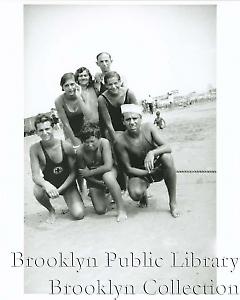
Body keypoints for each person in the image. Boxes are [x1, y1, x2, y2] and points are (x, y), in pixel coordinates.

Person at [115, 104, 180, 218]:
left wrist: (152, 153)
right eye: (128, 119)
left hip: (155, 166)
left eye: (135, 118)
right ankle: (143, 193)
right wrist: (150, 173)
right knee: (135, 194)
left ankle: (173, 202)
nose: (132, 122)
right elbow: (128, 169)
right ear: (123, 121)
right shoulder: (120, 142)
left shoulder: (149, 128)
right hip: (139, 173)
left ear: (141, 118)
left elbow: (168, 147)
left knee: (167, 157)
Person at [29, 114, 85, 224]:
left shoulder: (66, 146)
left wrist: (59, 191)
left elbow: (74, 173)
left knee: (79, 214)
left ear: (53, 127)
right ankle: (51, 210)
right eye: (41, 130)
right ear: (36, 132)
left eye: (47, 129)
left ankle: (72, 198)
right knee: (37, 190)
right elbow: (35, 176)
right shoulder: (35, 149)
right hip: (51, 184)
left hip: (68, 185)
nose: (44, 133)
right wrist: (47, 185)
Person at [76, 122, 127, 222]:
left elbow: (108, 166)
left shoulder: (104, 143)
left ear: (99, 138)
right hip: (94, 180)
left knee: (108, 177)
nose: (89, 145)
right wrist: (98, 183)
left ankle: (121, 209)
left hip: (109, 172)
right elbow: (83, 174)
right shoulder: (80, 152)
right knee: (100, 210)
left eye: (92, 141)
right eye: (86, 142)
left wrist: (90, 173)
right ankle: (108, 194)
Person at [55, 72, 97, 150]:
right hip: (71, 134)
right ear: (62, 87)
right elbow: (65, 124)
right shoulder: (59, 101)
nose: (70, 88)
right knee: (71, 150)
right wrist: (75, 142)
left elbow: (89, 117)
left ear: (76, 84)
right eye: (66, 85)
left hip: (86, 131)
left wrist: (79, 97)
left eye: (72, 84)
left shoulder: (84, 95)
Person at [98, 71, 137, 143]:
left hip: (128, 125)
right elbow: (108, 123)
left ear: (120, 82)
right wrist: (117, 142)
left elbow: (137, 116)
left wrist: (135, 135)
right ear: (105, 85)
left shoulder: (129, 93)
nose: (113, 87)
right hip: (113, 128)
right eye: (110, 84)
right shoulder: (102, 99)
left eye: (115, 83)